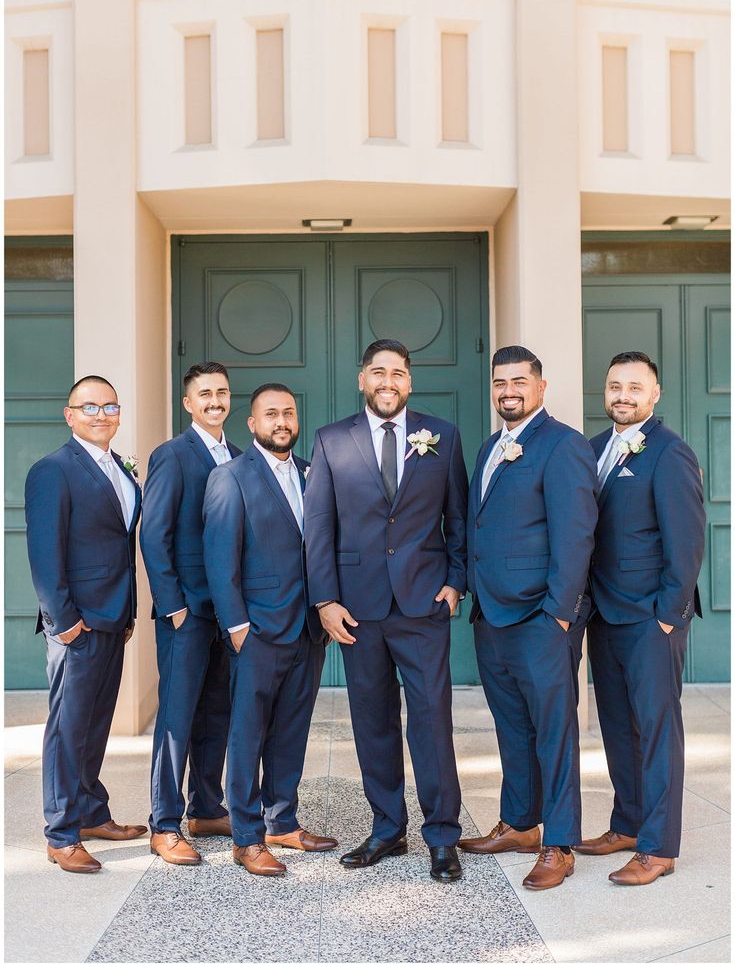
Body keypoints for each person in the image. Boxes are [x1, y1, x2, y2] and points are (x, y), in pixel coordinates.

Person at [304, 339, 468, 883]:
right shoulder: (331, 441)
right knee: (372, 721)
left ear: (409, 382)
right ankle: (387, 828)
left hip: (424, 604)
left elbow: (458, 518)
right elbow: (319, 528)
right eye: (378, 372)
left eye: (398, 373)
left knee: (431, 723)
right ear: (362, 380)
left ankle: (443, 836)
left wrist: (455, 582)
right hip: (358, 608)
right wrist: (325, 600)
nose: (388, 381)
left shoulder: (442, 436)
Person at [459, 345, 598, 890]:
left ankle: (559, 842)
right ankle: (520, 823)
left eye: (519, 381)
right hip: (491, 615)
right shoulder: (491, 446)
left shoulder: (563, 445)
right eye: (500, 383)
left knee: (554, 731)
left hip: (542, 616)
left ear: (541, 387)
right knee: (512, 726)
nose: (508, 391)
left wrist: (559, 614)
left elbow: (576, 534)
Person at [575, 351, 705, 885]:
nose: (622, 396)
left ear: (655, 394)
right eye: (614, 387)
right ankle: (627, 822)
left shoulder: (670, 453)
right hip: (604, 613)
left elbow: (687, 541)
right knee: (617, 727)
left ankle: (658, 845)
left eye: (634, 387)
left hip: (651, 617)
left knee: (655, 729)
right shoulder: (593, 449)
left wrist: (669, 616)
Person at [203, 384, 336, 876]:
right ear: (252, 424)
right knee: (247, 733)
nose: (282, 421)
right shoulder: (230, 477)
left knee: (291, 730)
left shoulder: (312, 473)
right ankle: (245, 835)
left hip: (307, 629)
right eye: (271, 414)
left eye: (289, 412)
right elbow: (220, 558)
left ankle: (282, 820)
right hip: (256, 630)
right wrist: (237, 627)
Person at [25, 375, 146, 873]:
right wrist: (64, 621)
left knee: (97, 724)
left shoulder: (120, 468)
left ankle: (92, 811)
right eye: (90, 406)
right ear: (70, 414)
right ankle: (61, 832)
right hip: (77, 623)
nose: (102, 414)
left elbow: (120, 547)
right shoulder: (52, 470)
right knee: (67, 727)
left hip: (114, 618)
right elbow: (43, 555)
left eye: (110, 406)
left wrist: (129, 611)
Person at [141, 362, 240, 865]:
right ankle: (164, 822)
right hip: (186, 613)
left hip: (228, 616)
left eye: (221, 393)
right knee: (178, 717)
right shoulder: (172, 456)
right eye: (205, 394)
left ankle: (206, 806)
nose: (215, 401)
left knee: (216, 713)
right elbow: (152, 535)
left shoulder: (242, 457)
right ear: (188, 403)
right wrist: (173, 606)